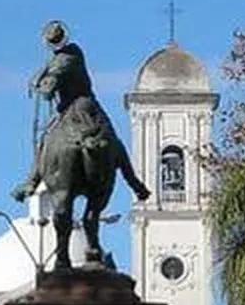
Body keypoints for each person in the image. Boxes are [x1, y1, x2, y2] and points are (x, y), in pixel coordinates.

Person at [11, 20, 149, 204]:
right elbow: (47, 70)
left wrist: (40, 86)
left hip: (75, 107)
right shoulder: (70, 53)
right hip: (87, 105)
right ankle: (134, 182)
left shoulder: (64, 59)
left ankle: (31, 181)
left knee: (45, 140)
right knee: (114, 142)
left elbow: (47, 91)